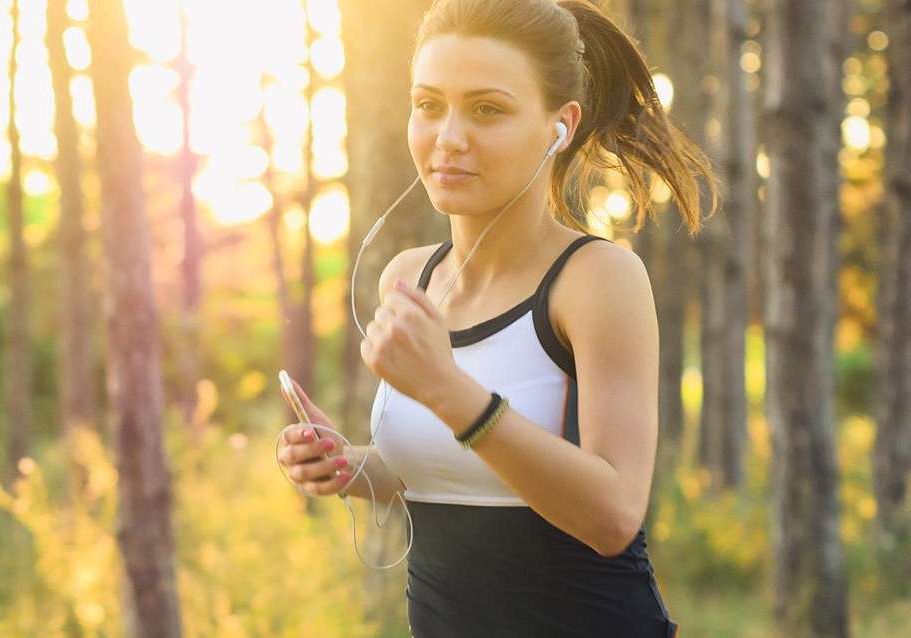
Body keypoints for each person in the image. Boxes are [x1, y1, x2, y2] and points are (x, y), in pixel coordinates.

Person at [276, 0, 718, 635]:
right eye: (429, 105)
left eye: (487, 109)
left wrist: (449, 391)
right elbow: (444, 475)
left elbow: (613, 515)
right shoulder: (408, 276)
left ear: (559, 126)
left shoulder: (597, 279)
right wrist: (346, 465)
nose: (448, 138)